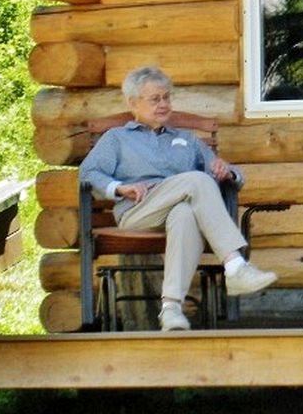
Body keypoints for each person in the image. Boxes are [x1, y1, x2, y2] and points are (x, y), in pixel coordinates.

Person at [79, 66, 279, 331]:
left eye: (166, 97)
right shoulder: (117, 138)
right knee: (197, 180)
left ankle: (171, 309)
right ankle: (235, 265)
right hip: (138, 211)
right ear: (132, 103)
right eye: (155, 99)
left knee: (184, 213)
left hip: (175, 212)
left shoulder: (186, 139)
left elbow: (231, 174)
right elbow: (88, 172)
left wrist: (226, 171)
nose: (163, 105)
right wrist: (118, 188)